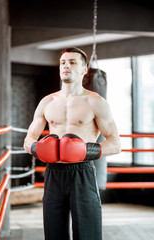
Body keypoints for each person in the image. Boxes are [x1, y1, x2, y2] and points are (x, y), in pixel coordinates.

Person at [24, 47, 121, 240]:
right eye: (63, 62)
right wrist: (38, 148)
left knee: (88, 234)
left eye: (72, 62)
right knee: (53, 233)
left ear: (85, 69)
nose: (66, 66)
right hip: (53, 174)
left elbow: (115, 143)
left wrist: (85, 151)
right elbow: (28, 140)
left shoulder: (95, 102)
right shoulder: (47, 102)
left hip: (82, 173)